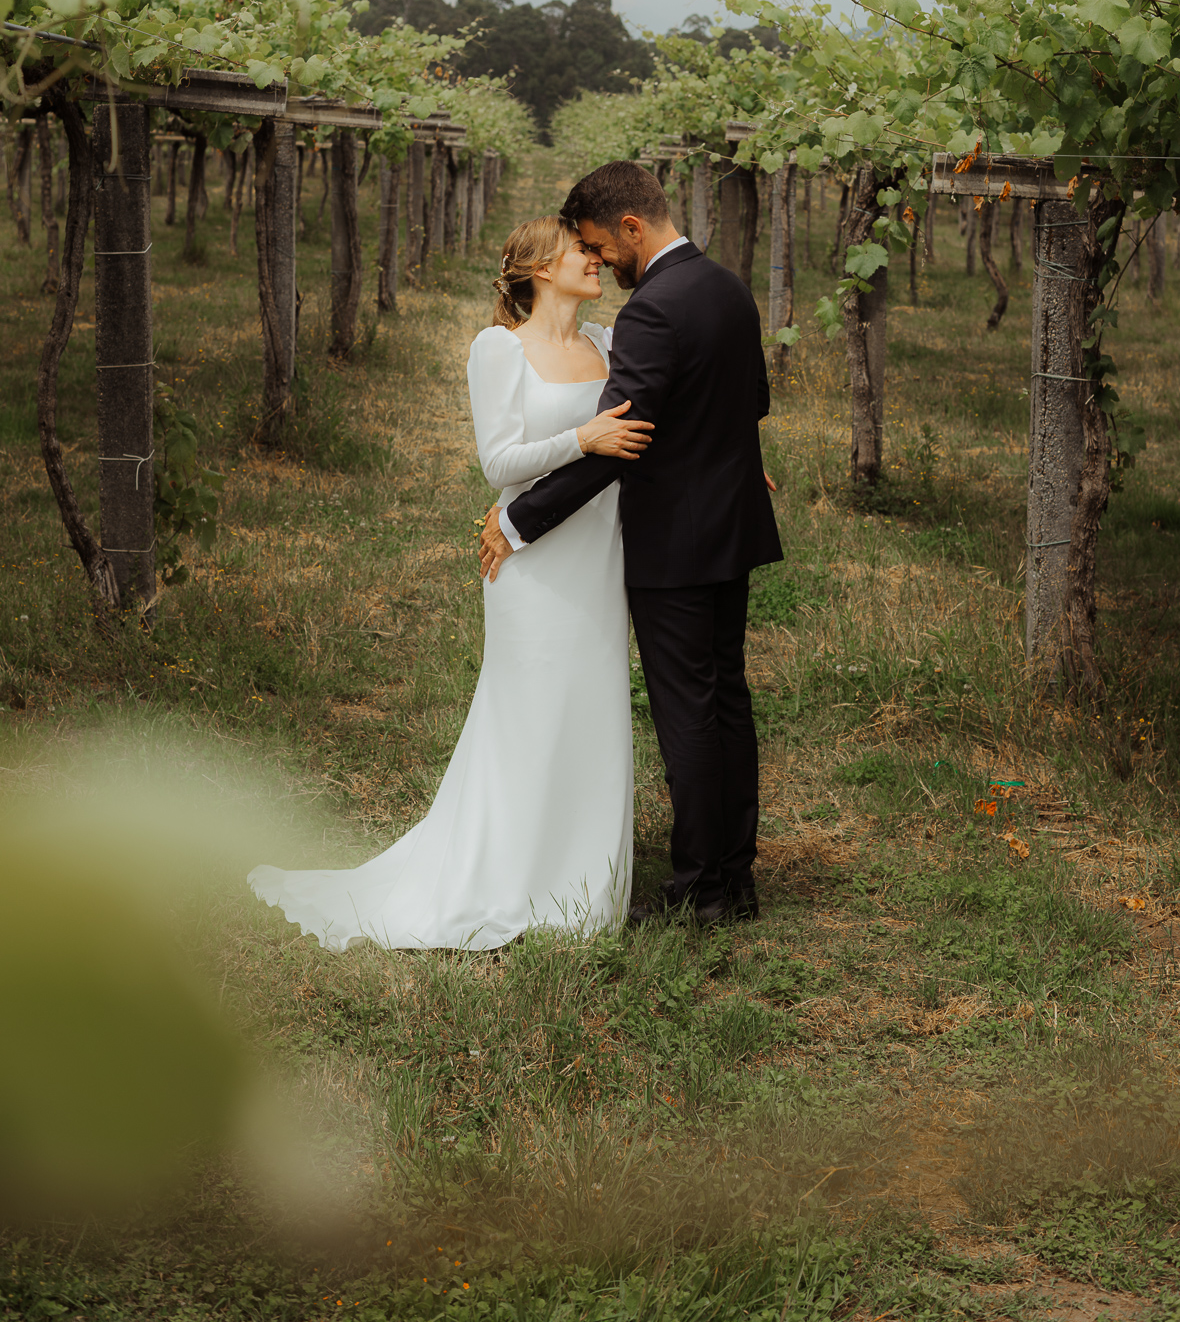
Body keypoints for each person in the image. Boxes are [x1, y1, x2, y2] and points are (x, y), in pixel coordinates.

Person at [248, 217, 652, 951]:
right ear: (537, 268)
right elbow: (499, 463)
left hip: (598, 553)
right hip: (532, 566)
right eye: (579, 252)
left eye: (593, 251)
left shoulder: (607, 344)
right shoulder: (498, 349)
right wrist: (581, 440)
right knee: (528, 709)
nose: (595, 260)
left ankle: (585, 890)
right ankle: (504, 877)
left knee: (592, 706)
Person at [480, 160, 782, 928]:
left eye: (599, 245)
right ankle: (734, 879)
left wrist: (517, 522)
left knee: (688, 714)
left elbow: (623, 440)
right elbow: (750, 400)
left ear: (631, 228)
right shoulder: (727, 287)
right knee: (727, 702)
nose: (602, 262)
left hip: (674, 542)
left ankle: (697, 896)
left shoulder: (653, 310)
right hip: (731, 528)